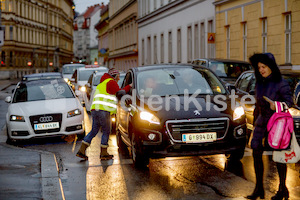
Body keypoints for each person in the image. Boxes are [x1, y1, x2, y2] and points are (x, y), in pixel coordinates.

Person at [246, 53, 293, 200]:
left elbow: (289, 103)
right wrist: (254, 124)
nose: (261, 70)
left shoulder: (281, 83)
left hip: (277, 124)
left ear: (271, 66)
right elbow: (257, 105)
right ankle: (259, 188)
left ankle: (282, 189)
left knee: (278, 156)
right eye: (259, 67)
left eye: (263, 67)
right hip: (261, 122)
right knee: (256, 151)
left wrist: (276, 105)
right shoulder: (260, 82)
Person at [76, 68, 131, 160]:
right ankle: (103, 154)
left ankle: (81, 151)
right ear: (114, 76)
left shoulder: (102, 84)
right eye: (117, 76)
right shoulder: (111, 82)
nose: (118, 78)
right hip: (103, 111)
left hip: (95, 110)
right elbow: (120, 93)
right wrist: (129, 86)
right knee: (106, 131)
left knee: (94, 131)